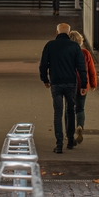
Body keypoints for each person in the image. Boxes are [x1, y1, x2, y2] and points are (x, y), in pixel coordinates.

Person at [39, 22, 87, 153]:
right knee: (70, 111)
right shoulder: (75, 47)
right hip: (71, 83)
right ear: (69, 33)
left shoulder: (50, 45)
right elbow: (81, 67)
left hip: (56, 83)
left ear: (57, 32)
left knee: (58, 113)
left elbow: (43, 64)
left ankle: (59, 144)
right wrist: (83, 84)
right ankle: (70, 140)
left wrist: (45, 79)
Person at [69, 30, 97, 145]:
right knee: (80, 108)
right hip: (83, 84)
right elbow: (91, 70)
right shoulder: (85, 53)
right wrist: (93, 84)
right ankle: (80, 126)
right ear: (80, 41)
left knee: (69, 109)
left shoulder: (67, 54)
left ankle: (69, 133)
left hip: (70, 84)